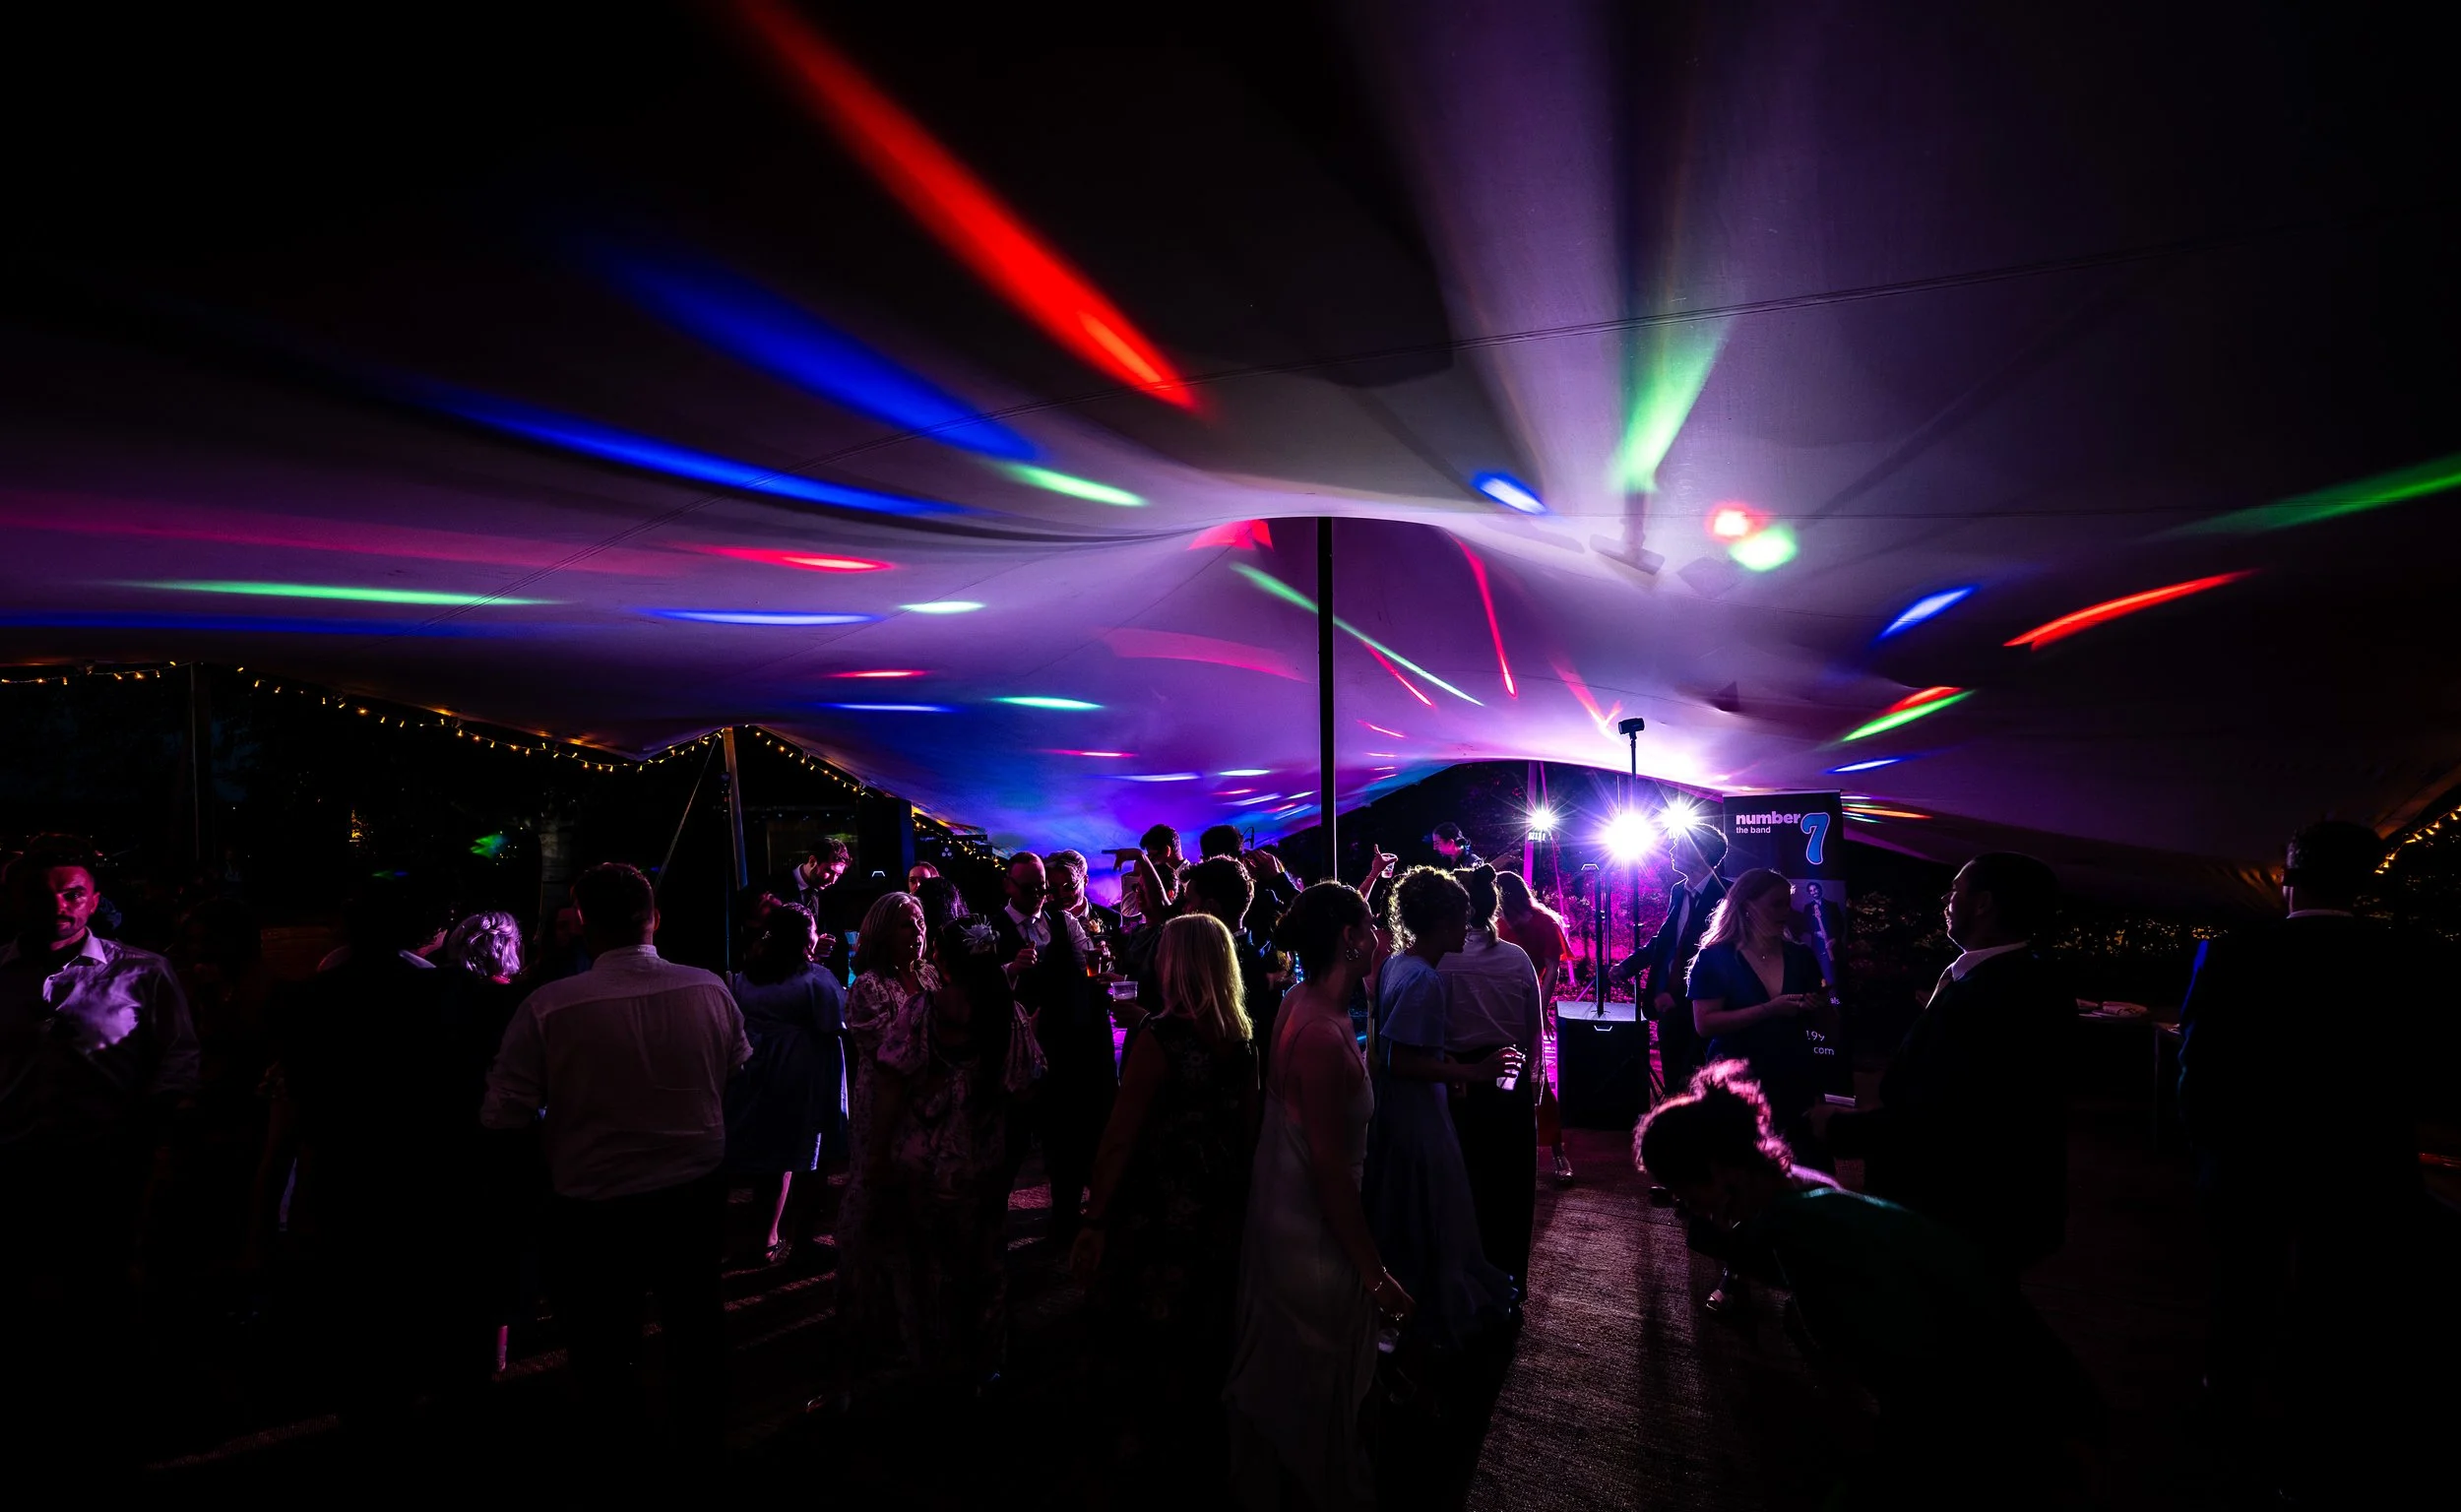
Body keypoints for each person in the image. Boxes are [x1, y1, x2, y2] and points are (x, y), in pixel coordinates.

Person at [1636, 1064, 2100, 1506]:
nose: (1688, 1209)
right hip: (2025, 1386)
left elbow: (1922, 1375)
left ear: (1718, 1170)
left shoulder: (1800, 1232)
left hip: (2002, 1411)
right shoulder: (1801, 1190)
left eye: (1684, 1194)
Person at [2176, 820, 2457, 1498]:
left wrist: (2211, 1149)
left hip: (2252, 1158)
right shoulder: (2413, 956)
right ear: (2363, 882)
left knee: (2244, 1281)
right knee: (2344, 1296)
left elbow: (2199, 1065)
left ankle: (2226, 1402)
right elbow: (2435, 1065)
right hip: (2365, 1159)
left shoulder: (2236, 953)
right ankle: (2323, 1436)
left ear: (2287, 879)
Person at [480, 862, 749, 1469]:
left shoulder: (551, 1006)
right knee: (694, 1322)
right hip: (694, 1186)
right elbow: (735, 1067)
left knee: (603, 1339)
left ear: (582, 923)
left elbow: (503, 1113)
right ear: (655, 919)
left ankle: (621, 1457)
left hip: (595, 1201)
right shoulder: (708, 989)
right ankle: (703, 1446)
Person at [0, 837, 200, 1463]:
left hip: (109, 1160)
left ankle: (113, 1420)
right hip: (15, 1161)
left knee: (106, 1290)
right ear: (13, 901)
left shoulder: (142, 971)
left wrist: (155, 1128)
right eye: (41, 895)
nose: (57, 906)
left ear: (93, 901)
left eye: (71, 894)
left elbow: (179, 1054)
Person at [278, 877, 497, 1428]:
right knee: (430, 1310)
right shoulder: (452, 991)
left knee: (362, 1316)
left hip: (348, 1175)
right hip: (431, 1176)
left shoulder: (310, 998)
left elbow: (302, 1096)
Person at [1225, 883, 1415, 1512]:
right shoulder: (1321, 1037)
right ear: (1351, 939)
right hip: (1311, 1230)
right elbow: (1330, 1174)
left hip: (1287, 1207)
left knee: (1297, 1374)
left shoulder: (1300, 1001)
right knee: (1314, 1377)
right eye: (1370, 924)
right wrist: (1376, 1277)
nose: (1381, 933)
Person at [1073, 914, 1260, 1493]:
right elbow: (1249, 1130)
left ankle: (1144, 1453)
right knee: (1206, 1321)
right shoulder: (1241, 1037)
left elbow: (1121, 1133)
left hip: (1160, 1200)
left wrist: (1095, 1217)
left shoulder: (1160, 1038)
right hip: (1221, 1197)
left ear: (1175, 963)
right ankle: (1198, 1445)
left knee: (1147, 1326)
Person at [1818, 853, 2074, 1275]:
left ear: (1983, 903)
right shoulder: (2033, 979)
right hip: (2002, 1205)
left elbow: (1943, 1118)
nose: (1945, 900)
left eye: (1955, 889)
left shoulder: (1986, 996)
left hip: (1961, 1208)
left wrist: (1837, 1128)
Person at [862, 917, 1043, 1391]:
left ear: (944, 960)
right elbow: (1026, 1090)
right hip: (983, 1165)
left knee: (925, 1267)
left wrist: (877, 1154)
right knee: (983, 1264)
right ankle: (983, 1367)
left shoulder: (922, 1011)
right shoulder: (1008, 1014)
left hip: (921, 1164)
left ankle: (932, 1366)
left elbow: (891, 1084)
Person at [1364, 867, 1519, 1348]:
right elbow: (1400, 1059)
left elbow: (1397, 1044)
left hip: (1398, 1107)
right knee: (1430, 1208)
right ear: (1443, 922)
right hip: (1416, 1112)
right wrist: (1474, 1071)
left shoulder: (1396, 964)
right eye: (1461, 917)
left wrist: (1445, 1063)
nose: (1467, 926)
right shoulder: (1425, 980)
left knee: (1405, 1207)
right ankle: (1421, 1308)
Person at [836, 889, 931, 1402]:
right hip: (883, 1111)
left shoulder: (932, 976)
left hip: (928, 1111)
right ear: (880, 932)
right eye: (904, 924)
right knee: (874, 1209)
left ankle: (911, 1328)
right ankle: (865, 1330)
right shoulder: (870, 986)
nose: (916, 932)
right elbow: (891, 1053)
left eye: (920, 922)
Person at [989, 852, 1112, 1248]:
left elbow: (1086, 963)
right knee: (1009, 1146)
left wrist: (1100, 963)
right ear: (1009, 886)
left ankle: (1063, 1227)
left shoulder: (1064, 922)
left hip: (1064, 1050)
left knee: (1066, 1143)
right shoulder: (990, 929)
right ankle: (990, 1234)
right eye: (1030, 888)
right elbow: (975, 987)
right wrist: (1010, 970)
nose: (1041, 895)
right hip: (1014, 1054)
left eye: (1043, 887)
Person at [1437, 865, 1546, 1292]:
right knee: (1511, 1187)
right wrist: (1532, 1086)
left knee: (1461, 1185)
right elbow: (1534, 1030)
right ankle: (1510, 1283)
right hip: (1509, 1076)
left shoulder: (1440, 960)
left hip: (1453, 1081)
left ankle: (1462, 1285)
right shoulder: (1517, 959)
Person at [725, 903, 847, 1267]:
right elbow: (833, 1021)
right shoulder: (815, 978)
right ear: (805, 938)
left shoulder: (748, 976)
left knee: (770, 1160)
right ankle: (804, 1240)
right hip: (803, 1071)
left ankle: (764, 1237)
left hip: (756, 1069)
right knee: (810, 1157)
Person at [1610, 827, 1728, 1100]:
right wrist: (1629, 966)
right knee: (1675, 1085)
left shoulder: (1727, 896)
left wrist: (1679, 996)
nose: (1672, 850)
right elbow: (1666, 940)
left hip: (1701, 1006)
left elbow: (1717, 958)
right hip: (1667, 1005)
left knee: (1703, 1088)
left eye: (1680, 844)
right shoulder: (1678, 891)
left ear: (1703, 852)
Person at [1495, 870, 1576, 1184]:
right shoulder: (1496, 924)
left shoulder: (1544, 923)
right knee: (1501, 1077)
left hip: (1528, 1006)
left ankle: (1556, 1149)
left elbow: (1552, 970)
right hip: (1500, 1008)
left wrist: (1540, 1010)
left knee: (1536, 1078)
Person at [1182, 856, 1285, 1073]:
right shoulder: (1255, 956)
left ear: (1210, 908)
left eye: (1189, 901)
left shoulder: (1240, 966)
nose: (1184, 910)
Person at [772, 839, 852, 979]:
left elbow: (840, 946)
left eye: (838, 875)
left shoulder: (833, 894)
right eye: (829, 871)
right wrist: (809, 944)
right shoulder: (776, 889)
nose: (833, 880)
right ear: (813, 861)